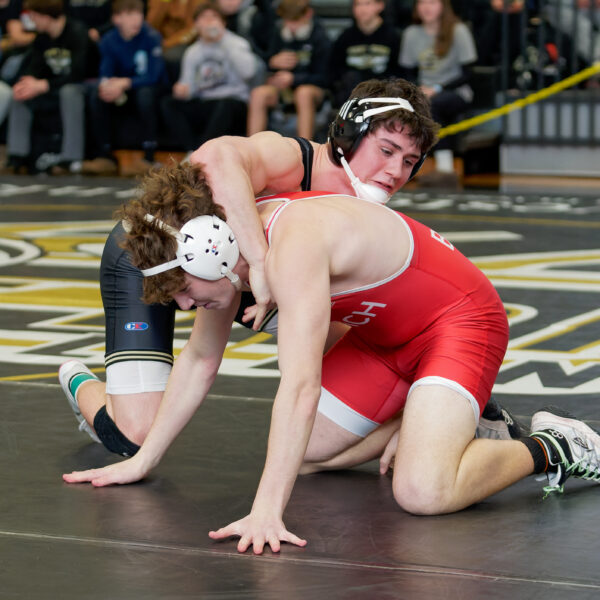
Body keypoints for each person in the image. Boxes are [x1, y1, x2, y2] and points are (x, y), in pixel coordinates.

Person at [64, 162, 600, 556]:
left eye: (183, 291)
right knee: (307, 453)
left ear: (213, 250)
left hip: (459, 323)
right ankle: (433, 421)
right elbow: (200, 359)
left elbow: (300, 387)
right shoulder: (235, 254)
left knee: (423, 491)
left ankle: (555, 444)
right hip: (385, 343)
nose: (184, 305)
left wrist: (267, 510)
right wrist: (142, 459)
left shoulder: (291, 248)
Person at [58, 78, 516, 464]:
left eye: (409, 161)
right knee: (131, 437)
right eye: (386, 150)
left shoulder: (355, 207)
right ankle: (80, 382)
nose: (395, 171)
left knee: (353, 334)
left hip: (225, 276)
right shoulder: (295, 160)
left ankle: (437, 410)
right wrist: (259, 260)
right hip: (154, 259)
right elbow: (214, 157)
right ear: (349, 134)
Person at [81, 0, 168, 177]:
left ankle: (149, 157)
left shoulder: (151, 36)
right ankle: (105, 156)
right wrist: (109, 86)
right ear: (116, 19)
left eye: (139, 14)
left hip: (151, 88)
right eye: (129, 15)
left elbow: (154, 76)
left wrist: (124, 83)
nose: (136, 20)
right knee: (99, 93)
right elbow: (106, 71)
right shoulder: (109, 40)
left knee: (145, 95)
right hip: (124, 89)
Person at [160, 1, 257, 154]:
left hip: (233, 102)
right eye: (204, 18)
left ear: (223, 22)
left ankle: (203, 153)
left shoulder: (237, 43)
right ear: (197, 25)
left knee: (225, 105)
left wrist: (222, 41)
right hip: (206, 101)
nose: (209, 22)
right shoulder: (193, 52)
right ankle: (193, 150)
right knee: (169, 104)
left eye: (214, 17)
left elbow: (249, 72)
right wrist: (182, 90)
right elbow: (188, 86)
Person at [399, 0, 477, 188]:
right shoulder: (411, 33)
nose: (427, 7)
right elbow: (407, 71)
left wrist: (438, 88)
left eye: (432, 2)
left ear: (443, 6)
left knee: (434, 105)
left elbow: (468, 73)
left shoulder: (458, 30)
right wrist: (417, 88)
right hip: (423, 91)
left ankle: (445, 168)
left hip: (456, 91)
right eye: (422, 3)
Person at [5, 0, 89, 174]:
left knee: (69, 91)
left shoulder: (78, 32)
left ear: (45, 17)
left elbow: (79, 73)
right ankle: (16, 156)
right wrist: (28, 82)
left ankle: (70, 158)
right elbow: (33, 68)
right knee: (22, 92)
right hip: (51, 88)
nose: (32, 22)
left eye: (34, 17)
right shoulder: (42, 38)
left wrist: (44, 84)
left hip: (81, 87)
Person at [246, 0, 331, 140]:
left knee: (303, 93)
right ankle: (252, 148)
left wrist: (294, 79)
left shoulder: (320, 38)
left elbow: (326, 78)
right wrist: (272, 63)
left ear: (308, 14)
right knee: (258, 94)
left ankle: (305, 149)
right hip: (283, 90)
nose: (290, 26)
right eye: (287, 20)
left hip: (313, 91)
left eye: (295, 20)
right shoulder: (279, 33)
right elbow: (266, 63)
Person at [329, 0, 401, 108]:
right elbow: (334, 71)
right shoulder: (345, 37)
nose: (362, 9)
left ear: (380, 6)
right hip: (351, 94)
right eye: (358, 4)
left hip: (382, 94)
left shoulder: (393, 37)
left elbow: (399, 71)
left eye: (367, 3)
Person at [146, 0, 203, 83]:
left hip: (186, 43)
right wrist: (164, 2)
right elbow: (151, 25)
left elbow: (193, 29)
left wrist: (167, 44)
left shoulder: (197, 2)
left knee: (172, 56)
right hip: (159, 40)